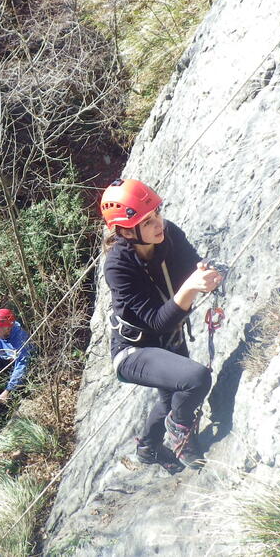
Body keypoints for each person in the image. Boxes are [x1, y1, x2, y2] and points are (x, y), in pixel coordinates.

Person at [100, 178, 222, 471]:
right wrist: (191, 288)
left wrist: (205, 272)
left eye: (157, 214)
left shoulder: (168, 236)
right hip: (133, 350)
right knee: (195, 378)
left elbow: (193, 263)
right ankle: (180, 428)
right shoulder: (118, 267)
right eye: (147, 221)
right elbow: (157, 321)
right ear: (127, 230)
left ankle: (148, 449)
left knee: (171, 400)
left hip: (169, 340)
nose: (158, 224)